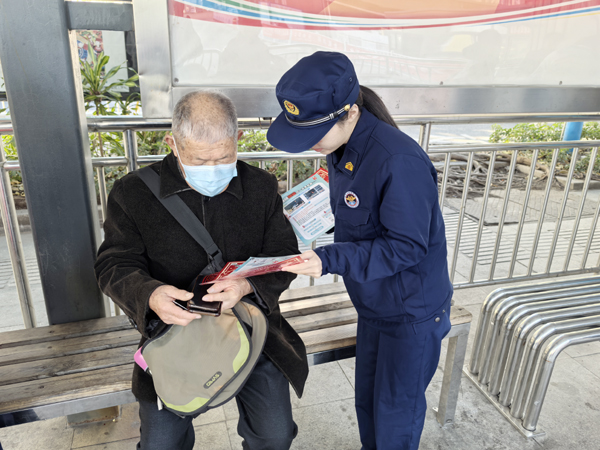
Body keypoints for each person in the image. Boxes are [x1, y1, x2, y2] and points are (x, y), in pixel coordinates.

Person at [95, 90, 308, 450]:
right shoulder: (133, 193)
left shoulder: (260, 187)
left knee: (275, 436)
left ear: (238, 139)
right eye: (198, 159)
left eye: (223, 157)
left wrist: (246, 286)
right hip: (174, 334)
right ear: (173, 143)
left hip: (250, 325)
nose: (212, 169)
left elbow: (283, 254)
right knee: (161, 445)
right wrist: (150, 295)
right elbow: (114, 262)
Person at [267, 52, 453, 450]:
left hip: (411, 312)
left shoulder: (398, 161)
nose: (311, 144)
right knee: (368, 404)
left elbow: (406, 246)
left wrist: (328, 259)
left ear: (350, 113)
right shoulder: (340, 148)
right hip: (374, 303)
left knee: (395, 418)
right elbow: (356, 214)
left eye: (316, 132)